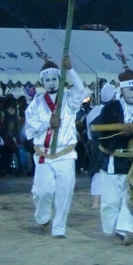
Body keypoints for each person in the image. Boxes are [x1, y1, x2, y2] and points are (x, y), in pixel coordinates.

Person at [24, 55, 90, 238]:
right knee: (41, 192)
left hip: (65, 154)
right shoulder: (35, 104)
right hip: (44, 154)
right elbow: (29, 128)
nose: (51, 83)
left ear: (59, 80)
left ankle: (59, 227)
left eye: (54, 79)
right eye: (47, 80)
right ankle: (43, 217)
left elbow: (82, 90)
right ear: (42, 81)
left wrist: (70, 69)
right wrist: (48, 122)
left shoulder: (68, 99)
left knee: (64, 192)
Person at [95, 68, 133, 246]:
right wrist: (121, 131)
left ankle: (126, 230)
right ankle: (115, 230)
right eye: (131, 90)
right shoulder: (109, 109)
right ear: (122, 90)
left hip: (132, 161)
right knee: (110, 202)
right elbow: (101, 133)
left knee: (130, 198)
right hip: (112, 159)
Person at [85, 83, 117, 209]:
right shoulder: (115, 110)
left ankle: (96, 202)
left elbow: (88, 133)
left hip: (95, 143)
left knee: (97, 171)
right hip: (110, 144)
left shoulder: (93, 111)